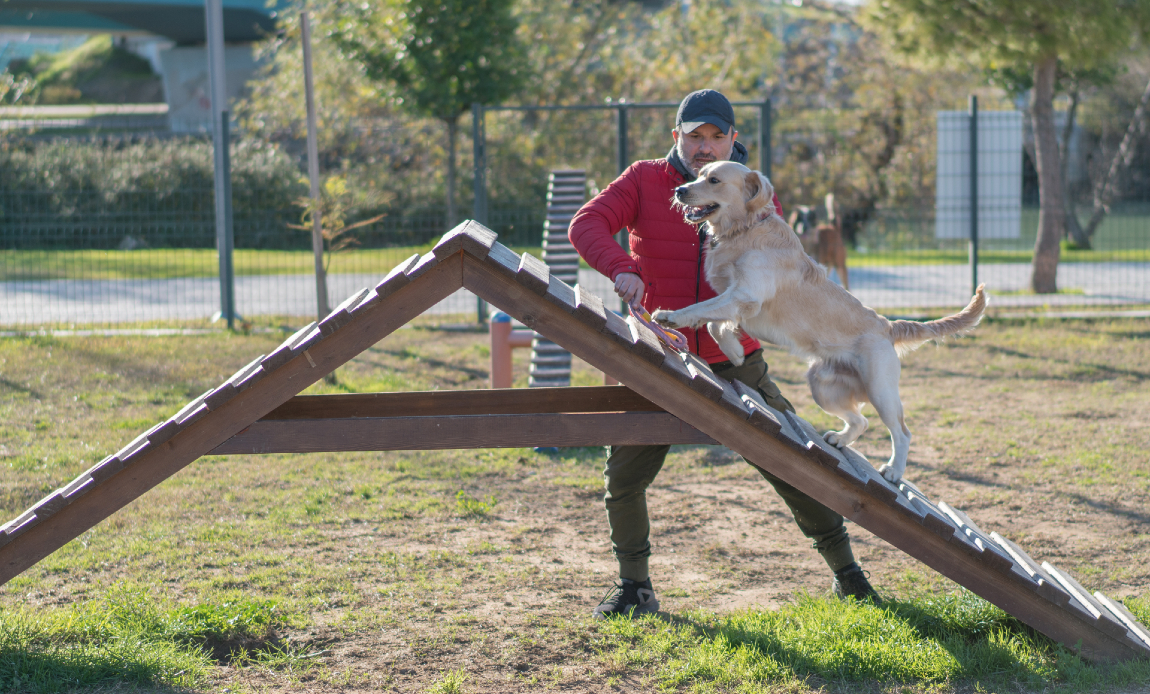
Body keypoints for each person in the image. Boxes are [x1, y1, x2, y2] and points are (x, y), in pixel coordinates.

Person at [568, 89, 880, 619]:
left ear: (733, 139)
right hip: (656, 357)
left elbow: (774, 264)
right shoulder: (644, 179)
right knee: (623, 479)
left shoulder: (750, 190)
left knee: (795, 464)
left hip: (736, 359)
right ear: (677, 138)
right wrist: (623, 268)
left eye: (716, 136)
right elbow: (586, 225)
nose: (705, 146)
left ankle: (848, 575)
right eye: (695, 136)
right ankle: (634, 589)